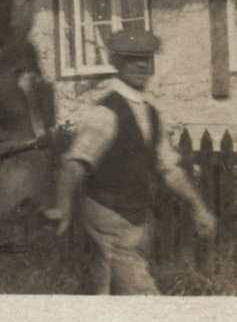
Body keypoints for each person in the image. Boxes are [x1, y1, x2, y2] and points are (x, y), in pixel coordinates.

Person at [43, 29, 217, 295]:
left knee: (108, 291)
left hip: (136, 218)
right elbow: (75, 163)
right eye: (131, 58)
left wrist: (198, 208)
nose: (141, 65)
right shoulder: (104, 112)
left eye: (146, 58)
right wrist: (63, 208)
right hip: (108, 215)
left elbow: (169, 168)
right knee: (142, 296)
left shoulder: (151, 112)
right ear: (115, 62)